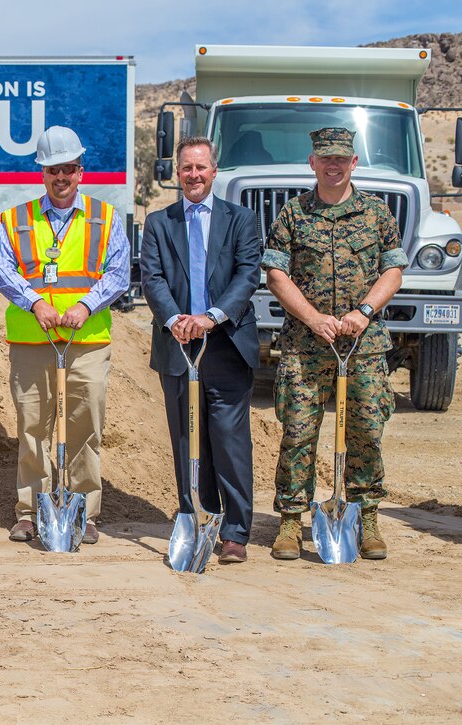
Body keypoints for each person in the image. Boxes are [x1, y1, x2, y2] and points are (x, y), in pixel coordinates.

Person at [262, 127, 407, 561]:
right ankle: (291, 521)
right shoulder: (293, 214)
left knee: (366, 433)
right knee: (298, 432)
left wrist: (363, 312)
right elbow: (275, 274)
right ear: (313, 162)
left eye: (341, 159)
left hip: (363, 345)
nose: (333, 165)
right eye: (325, 158)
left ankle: (366, 517)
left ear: (353, 163)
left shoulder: (377, 214)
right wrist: (312, 318)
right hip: (305, 347)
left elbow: (393, 271)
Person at [0, 126, 129, 545]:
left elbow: (119, 273)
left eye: (68, 168)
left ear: (80, 171)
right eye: (53, 169)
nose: (61, 176)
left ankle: (84, 511)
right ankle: (31, 511)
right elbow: (2, 271)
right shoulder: (17, 218)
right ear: (42, 172)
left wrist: (84, 306)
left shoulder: (105, 218)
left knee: (85, 427)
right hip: (33, 341)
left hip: (86, 342)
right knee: (33, 427)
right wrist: (37, 303)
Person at [140, 137, 262, 564]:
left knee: (228, 440)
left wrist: (211, 317)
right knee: (186, 439)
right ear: (178, 174)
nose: (194, 175)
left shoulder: (241, 220)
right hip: (177, 345)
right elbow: (152, 278)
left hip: (226, 344)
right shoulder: (159, 222)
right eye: (186, 168)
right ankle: (194, 516)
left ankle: (234, 533)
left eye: (201, 167)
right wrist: (176, 321)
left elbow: (247, 276)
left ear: (214, 170)